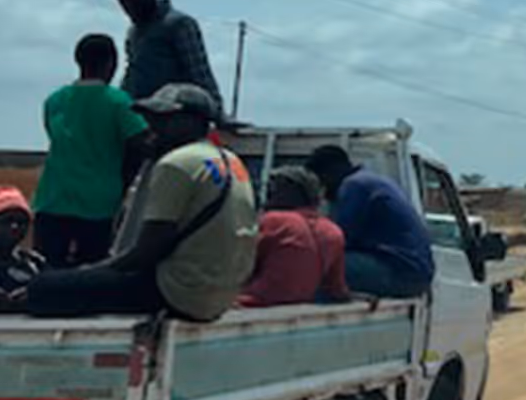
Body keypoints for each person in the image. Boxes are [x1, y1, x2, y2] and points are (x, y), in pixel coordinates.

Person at [26, 84, 257, 320]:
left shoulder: (176, 164)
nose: (152, 127)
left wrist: (88, 272)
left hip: (179, 291)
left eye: (163, 119)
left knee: (44, 288)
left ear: (191, 122)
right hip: (220, 296)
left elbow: (146, 252)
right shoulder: (232, 161)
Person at [35, 33, 153, 269]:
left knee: (48, 271)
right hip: (99, 204)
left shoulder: (54, 101)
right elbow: (142, 141)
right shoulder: (119, 102)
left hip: (52, 199)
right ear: (111, 63)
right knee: (91, 274)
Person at [306, 145, 434, 299]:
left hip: (400, 271)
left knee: (314, 267)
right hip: (413, 271)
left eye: (321, 179)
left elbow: (338, 239)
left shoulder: (354, 185)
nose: (322, 187)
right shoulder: (371, 181)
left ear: (331, 171)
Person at [238, 167, 350, 307]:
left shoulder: (275, 221)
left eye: (274, 189)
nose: (268, 196)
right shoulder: (334, 232)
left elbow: (240, 264)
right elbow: (337, 289)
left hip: (252, 301)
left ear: (291, 193)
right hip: (299, 303)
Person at [114, 0, 221, 105]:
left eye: (132, 1)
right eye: (123, 2)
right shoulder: (134, 32)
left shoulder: (179, 24)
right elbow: (132, 75)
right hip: (140, 110)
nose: (128, 8)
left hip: (175, 112)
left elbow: (200, 72)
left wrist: (216, 108)